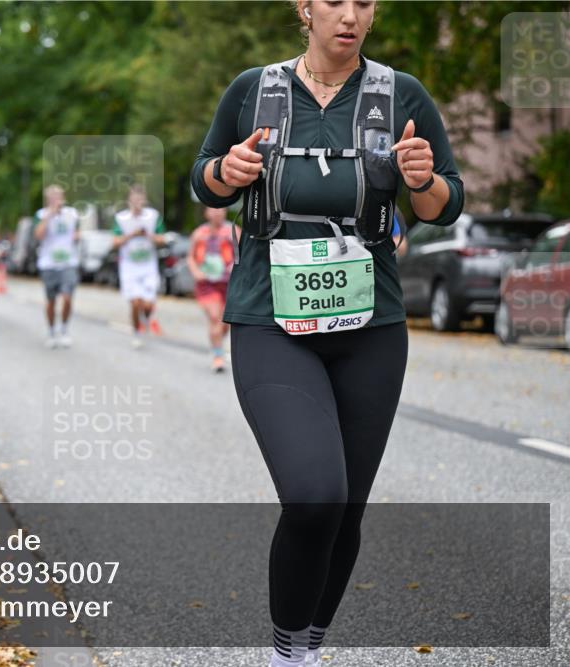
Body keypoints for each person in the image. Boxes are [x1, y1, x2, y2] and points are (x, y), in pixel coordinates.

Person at [190, 2, 464, 666]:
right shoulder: (254, 90)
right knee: (315, 494)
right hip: (270, 316)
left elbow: (447, 203)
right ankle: (286, 653)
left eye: (364, 3)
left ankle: (304, 651)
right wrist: (226, 172)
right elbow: (203, 180)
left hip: (372, 325)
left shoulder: (400, 94)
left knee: (346, 511)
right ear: (304, 9)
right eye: (334, 1)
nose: (350, 15)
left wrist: (422, 179)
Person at [112, 183, 167, 349]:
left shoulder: (153, 216)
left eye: (139, 198)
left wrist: (148, 235)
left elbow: (162, 239)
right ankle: (137, 332)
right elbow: (114, 242)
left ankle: (147, 319)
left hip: (148, 266)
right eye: (133, 198)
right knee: (136, 302)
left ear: (144, 200)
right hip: (129, 266)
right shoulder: (121, 219)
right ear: (129, 200)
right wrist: (132, 235)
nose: (136, 201)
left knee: (148, 305)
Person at [187, 206, 237, 373]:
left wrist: (236, 267)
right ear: (206, 212)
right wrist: (196, 272)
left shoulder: (233, 231)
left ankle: (216, 345)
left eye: (221, 209)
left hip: (228, 284)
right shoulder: (199, 233)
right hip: (206, 285)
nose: (217, 213)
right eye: (213, 209)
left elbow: (245, 253)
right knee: (216, 317)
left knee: (225, 324)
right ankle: (218, 356)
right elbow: (191, 257)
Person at [34, 185, 80, 349]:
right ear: (48, 199)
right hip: (49, 263)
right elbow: (38, 235)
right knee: (51, 301)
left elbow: (77, 233)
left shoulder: (72, 214)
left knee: (67, 297)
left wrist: (77, 237)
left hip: (68, 262)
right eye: (52, 197)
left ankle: (65, 329)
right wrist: (49, 216)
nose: (56, 200)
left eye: (58, 196)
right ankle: (51, 331)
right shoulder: (41, 215)